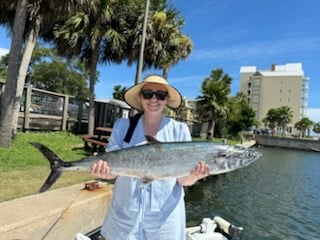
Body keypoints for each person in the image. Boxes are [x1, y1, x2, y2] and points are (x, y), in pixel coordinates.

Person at [91, 74, 209, 240]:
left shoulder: (179, 130)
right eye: (148, 94)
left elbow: (182, 181)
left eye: (160, 95)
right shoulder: (123, 126)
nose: (154, 99)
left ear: (166, 99)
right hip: (125, 215)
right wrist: (103, 172)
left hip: (165, 219)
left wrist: (195, 176)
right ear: (140, 97)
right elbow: (112, 172)